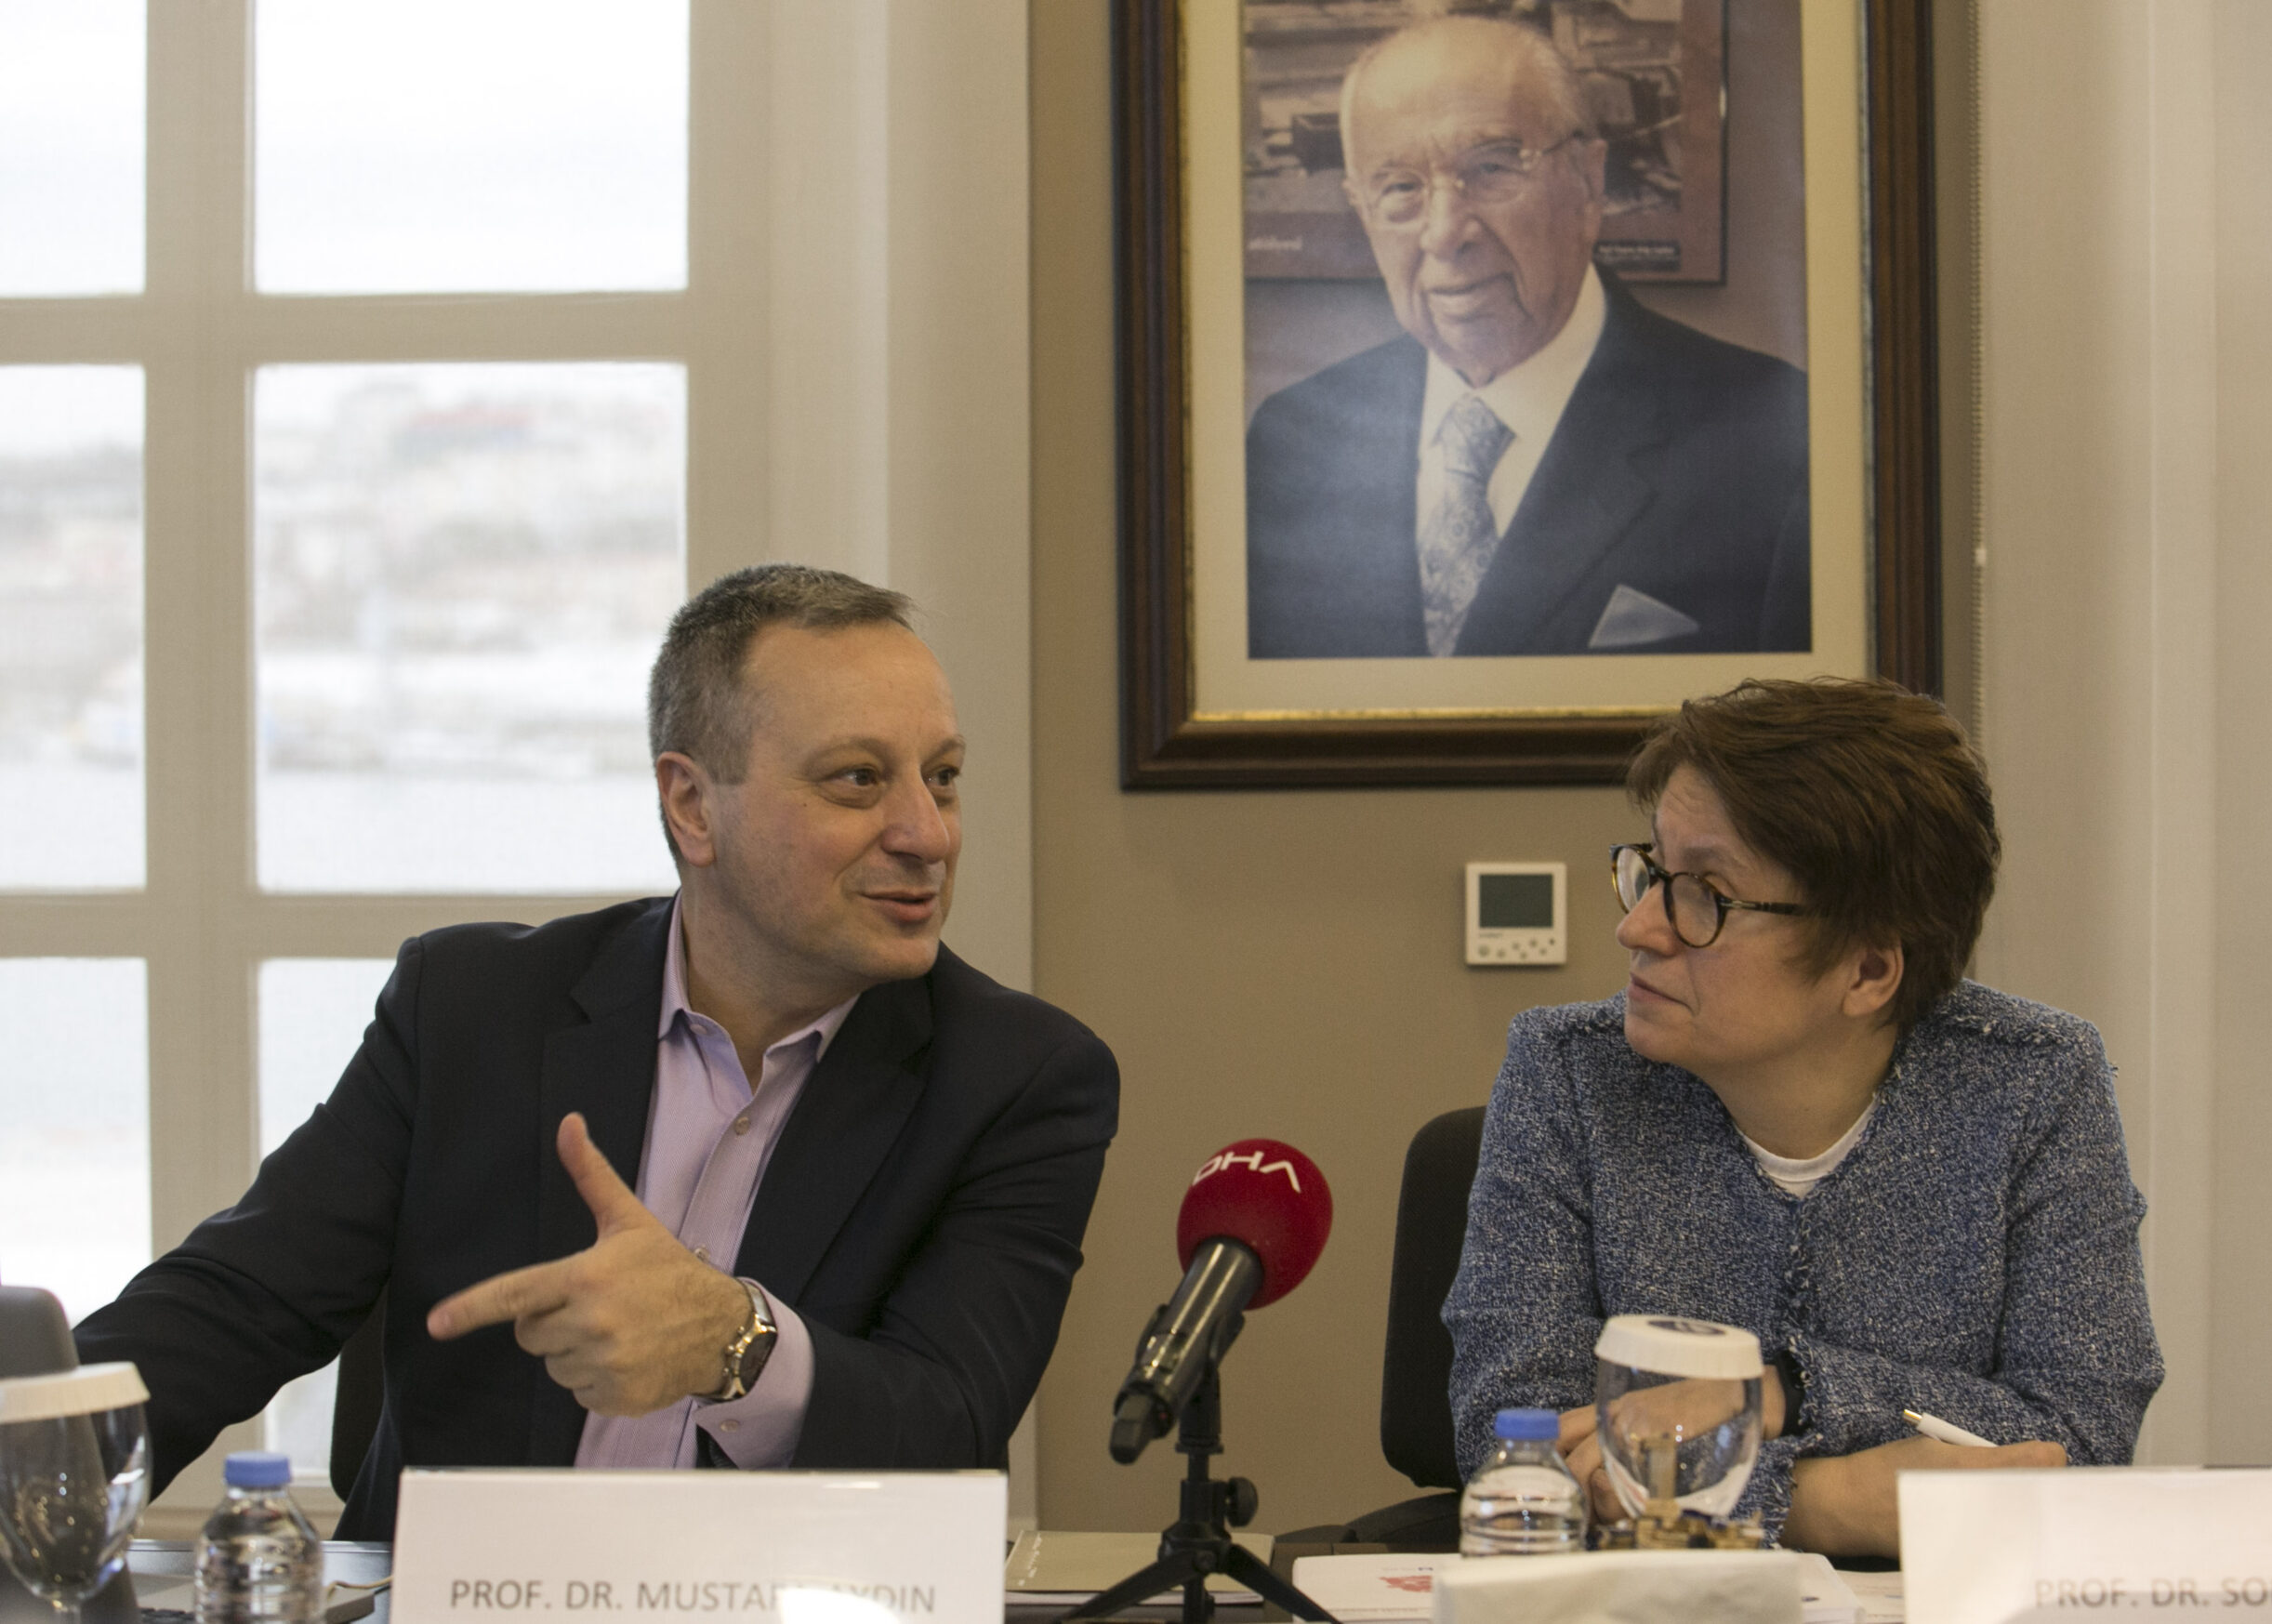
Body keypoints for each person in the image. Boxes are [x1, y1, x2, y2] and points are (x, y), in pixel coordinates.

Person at [75, 565, 1121, 1539]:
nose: (928, 834)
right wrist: (37, 1471)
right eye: (858, 780)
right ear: (692, 804)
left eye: (942, 777)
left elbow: (947, 1423)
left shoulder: (1019, 1078)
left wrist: (736, 1343)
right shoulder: (473, 1009)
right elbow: (237, 1303)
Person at [1442, 679, 2162, 1557]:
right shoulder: (1568, 1071)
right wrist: (1822, 1503)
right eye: (1653, 873)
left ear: (1867, 971)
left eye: (1705, 894)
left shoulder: (2036, 1080)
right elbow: (1519, 1447)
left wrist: (1780, 1392)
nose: (1639, 927)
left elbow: (2079, 1439)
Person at [1245, 16, 1809, 660]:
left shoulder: (1777, 441)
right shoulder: (1288, 442)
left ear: (1589, 184)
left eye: (1490, 168)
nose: (1444, 234)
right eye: (1400, 187)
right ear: (1362, 209)